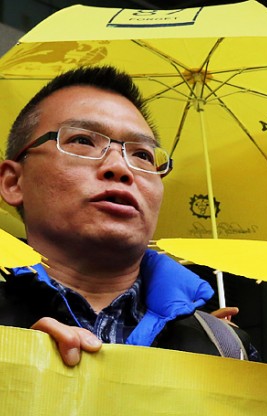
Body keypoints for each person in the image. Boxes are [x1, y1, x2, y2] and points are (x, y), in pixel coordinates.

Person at [0, 65, 254, 364]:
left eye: (142, 155)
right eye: (82, 140)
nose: (119, 168)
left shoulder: (222, 348)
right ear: (13, 182)